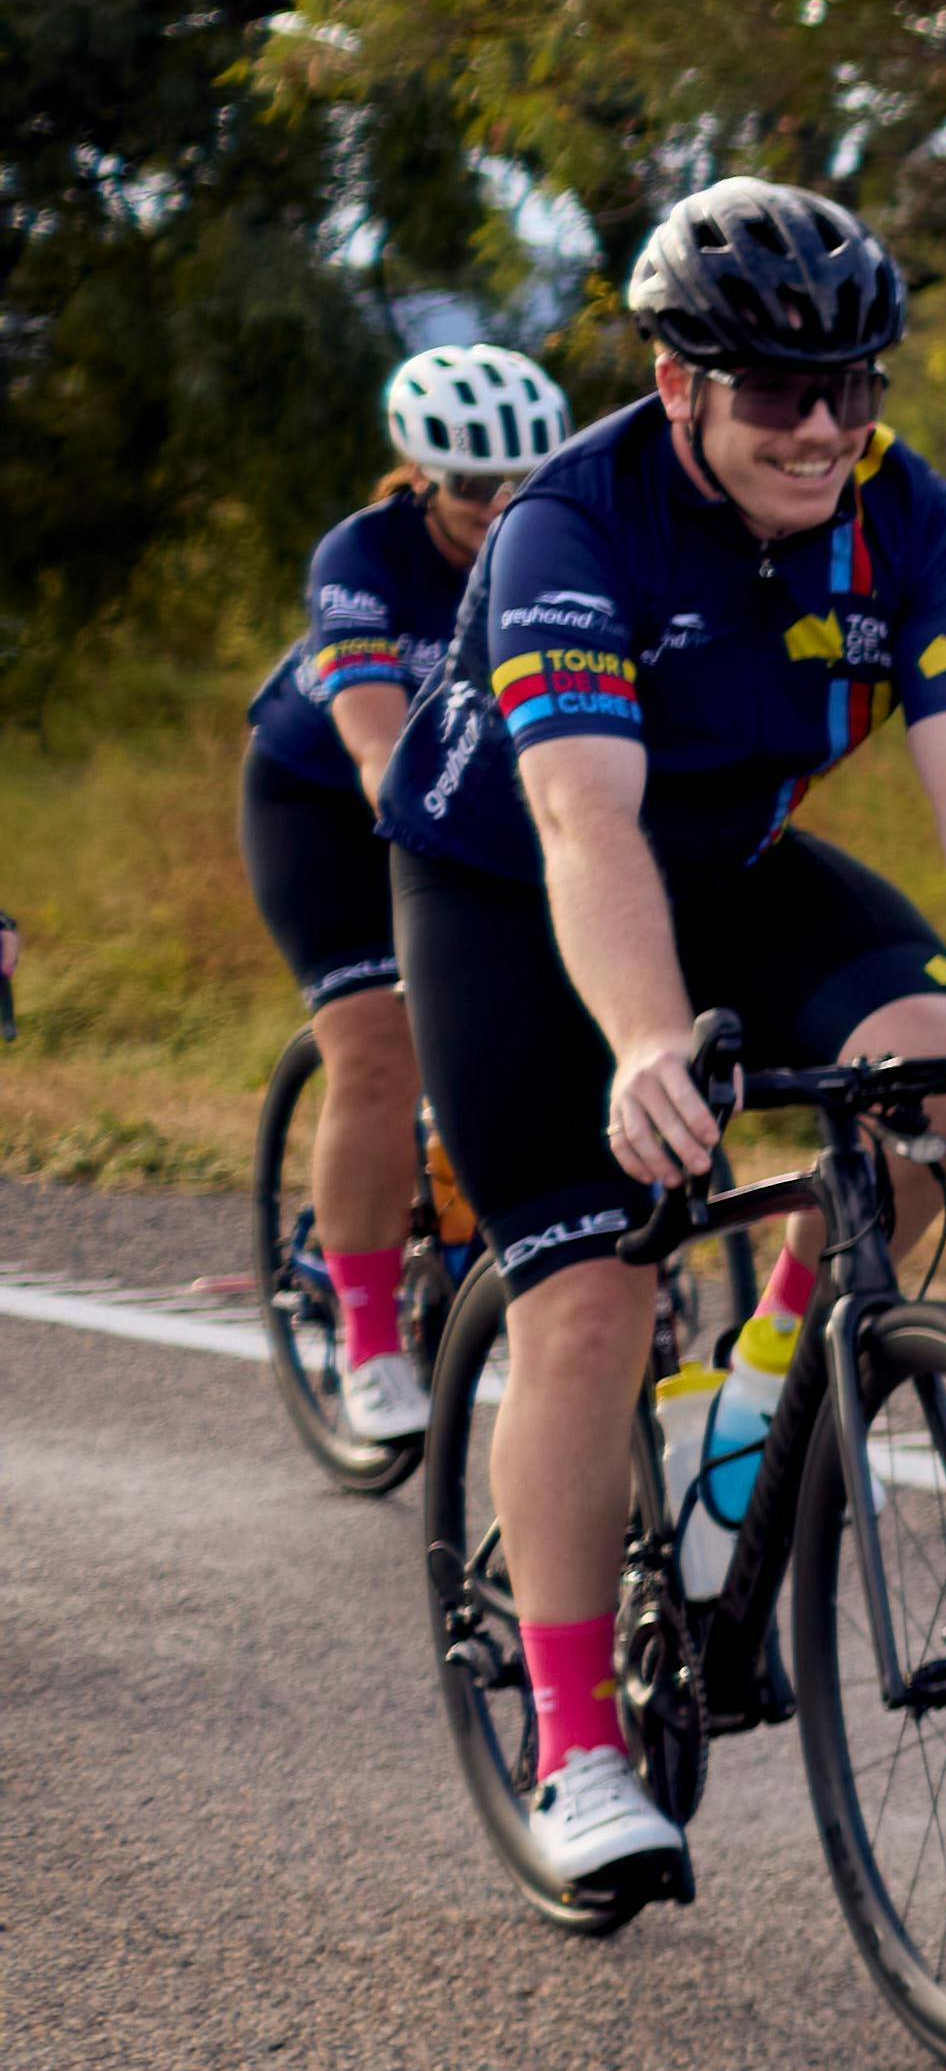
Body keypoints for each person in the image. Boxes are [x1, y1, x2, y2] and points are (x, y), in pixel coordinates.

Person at [391, 187, 946, 1925]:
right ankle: (575, 1741)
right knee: (584, 1288)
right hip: (511, 885)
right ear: (678, 386)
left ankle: (763, 1379)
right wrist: (645, 1039)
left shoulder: (911, 519)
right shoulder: (576, 518)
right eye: (776, 392)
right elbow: (580, 813)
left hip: (725, 856)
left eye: (850, 387)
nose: (821, 426)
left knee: (936, 1060)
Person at [242, 340, 571, 1437]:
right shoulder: (363, 554)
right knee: (378, 1047)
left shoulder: (562, 541)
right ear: (425, 473)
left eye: (523, 477)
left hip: (469, 800)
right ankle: (368, 1338)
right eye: (475, 483)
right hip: (327, 804)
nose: (499, 502)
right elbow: (379, 746)